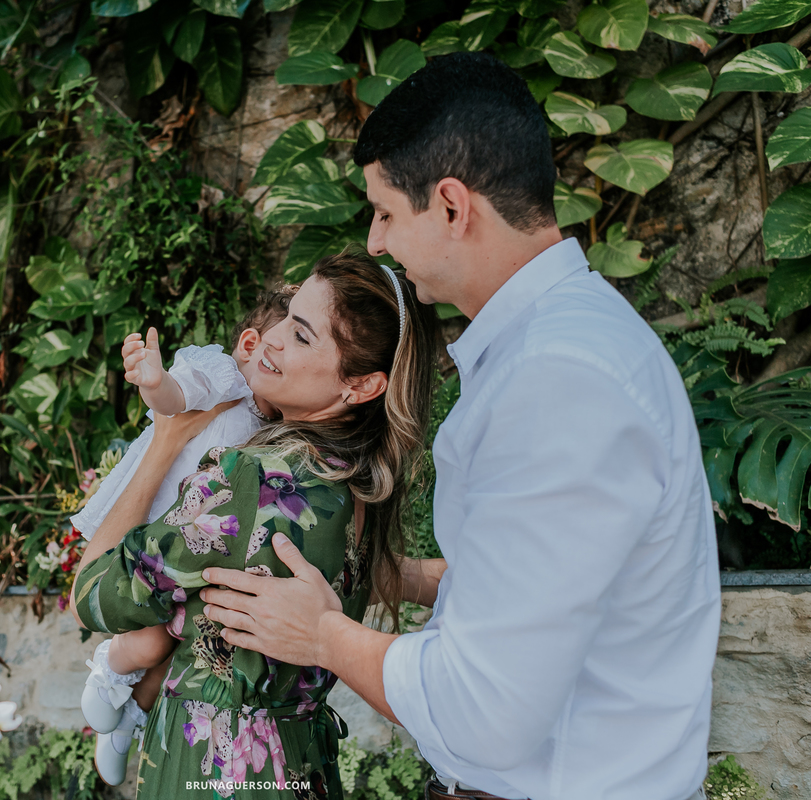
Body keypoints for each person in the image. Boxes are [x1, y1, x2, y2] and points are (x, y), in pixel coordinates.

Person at [198, 53, 721, 800]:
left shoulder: (559, 378)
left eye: (385, 212)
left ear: (450, 205)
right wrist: (401, 578)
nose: (376, 243)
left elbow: (485, 710)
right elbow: (565, 583)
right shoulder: (569, 343)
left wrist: (322, 635)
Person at [70, 250, 438, 799]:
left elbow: (95, 593)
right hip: (303, 762)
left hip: (214, 772)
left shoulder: (255, 477)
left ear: (361, 386)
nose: (272, 339)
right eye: (288, 319)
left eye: (303, 336)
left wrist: (165, 443)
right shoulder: (360, 487)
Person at [72, 287, 295, 783]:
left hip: (196, 543)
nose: (284, 365)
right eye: (280, 349)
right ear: (251, 343)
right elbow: (175, 397)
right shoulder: (225, 379)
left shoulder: (276, 422)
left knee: (182, 641)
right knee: (151, 642)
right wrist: (154, 382)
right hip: (152, 525)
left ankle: (129, 720)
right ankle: (110, 671)